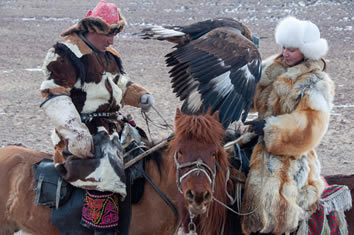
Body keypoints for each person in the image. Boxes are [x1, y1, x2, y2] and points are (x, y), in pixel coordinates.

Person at [39, 1, 154, 234]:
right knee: (106, 171)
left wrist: (139, 95)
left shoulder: (108, 55)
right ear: (92, 30)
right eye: (108, 34)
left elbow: (118, 83)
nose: (112, 40)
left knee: (147, 155)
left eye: (114, 34)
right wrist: (76, 133)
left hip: (113, 124)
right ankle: (101, 228)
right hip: (85, 127)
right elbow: (55, 94)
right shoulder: (66, 53)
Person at [238, 16, 335, 234]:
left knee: (272, 201)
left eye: (292, 49)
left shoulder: (315, 83)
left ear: (307, 51)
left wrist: (271, 128)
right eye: (283, 47)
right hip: (257, 140)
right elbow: (251, 93)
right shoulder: (273, 68)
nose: (285, 53)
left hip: (291, 155)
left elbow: (311, 127)